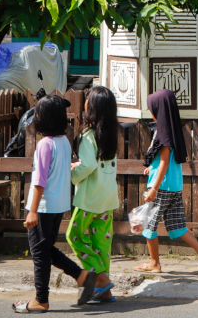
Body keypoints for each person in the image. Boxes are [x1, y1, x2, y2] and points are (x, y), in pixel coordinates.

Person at [13, 94, 98, 313]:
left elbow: (39, 181)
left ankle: (41, 300)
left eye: (38, 114)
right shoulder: (63, 142)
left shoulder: (44, 145)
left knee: (40, 254)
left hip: (42, 207)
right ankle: (81, 276)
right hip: (58, 206)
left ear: (43, 118)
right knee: (45, 249)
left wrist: (32, 210)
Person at [134, 89, 198, 275]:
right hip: (174, 185)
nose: (151, 112)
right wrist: (152, 167)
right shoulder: (173, 130)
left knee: (148, 224)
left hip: (161, 186)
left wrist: (153, 189)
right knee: (177, 225)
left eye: (152, 108)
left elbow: (164, 161)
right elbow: (165, 160)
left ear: (159, 110)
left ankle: (154, 263)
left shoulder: (163, 132)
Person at [67, 86, 119, 304]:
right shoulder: (110, 133)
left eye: (88, 99)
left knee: (75, 235)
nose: (85, 102)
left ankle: (100, 278)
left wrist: (73, 174)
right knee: (101, 244)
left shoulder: (89, 135)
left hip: (89, 199)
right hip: (107, 198)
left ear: (93, 108)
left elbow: (87, 165)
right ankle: (105, 291)